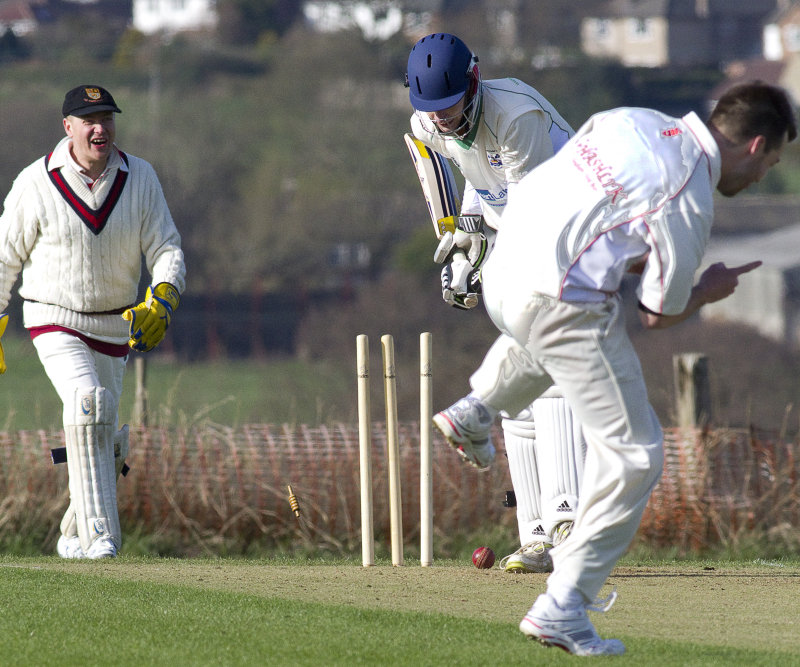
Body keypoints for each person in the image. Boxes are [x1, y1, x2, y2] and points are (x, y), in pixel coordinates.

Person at [434, 81, 796, 655]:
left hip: (502, 267)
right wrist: (708, 289)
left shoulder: (636, 121)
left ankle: (475, 410)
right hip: (555, 300)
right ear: (755, 147)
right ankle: (564, 606)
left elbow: (582, 204)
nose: (761, 176)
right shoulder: (690, 193)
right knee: (636, 454)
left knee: (559, 333)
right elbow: (659, 314)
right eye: (770, 163)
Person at [406, 32, 583, 573]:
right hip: (522, 234)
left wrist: (486, 248)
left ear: (475, 81)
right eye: (431, 109)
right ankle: (535, 536)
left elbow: (532, 219)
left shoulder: (515, 115)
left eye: (451, 105)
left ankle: (568, 525)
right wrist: (462, 239)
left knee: (545, 373)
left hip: (578, 234)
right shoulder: (428, 124)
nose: (442, 119)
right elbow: (464, 177)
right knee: (519, 394)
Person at [0, 85, 186, 559]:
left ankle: (71, 533)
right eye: (88, 120)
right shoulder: (35, 182)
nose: (100, 128)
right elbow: (4, 258)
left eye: (106, 118)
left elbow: (166, 248)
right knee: (88, 402)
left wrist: (162, 298)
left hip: (114, 325)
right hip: (53, 317)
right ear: (68, 127)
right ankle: (102, 535)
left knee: (107, 438)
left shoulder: (140, 176)